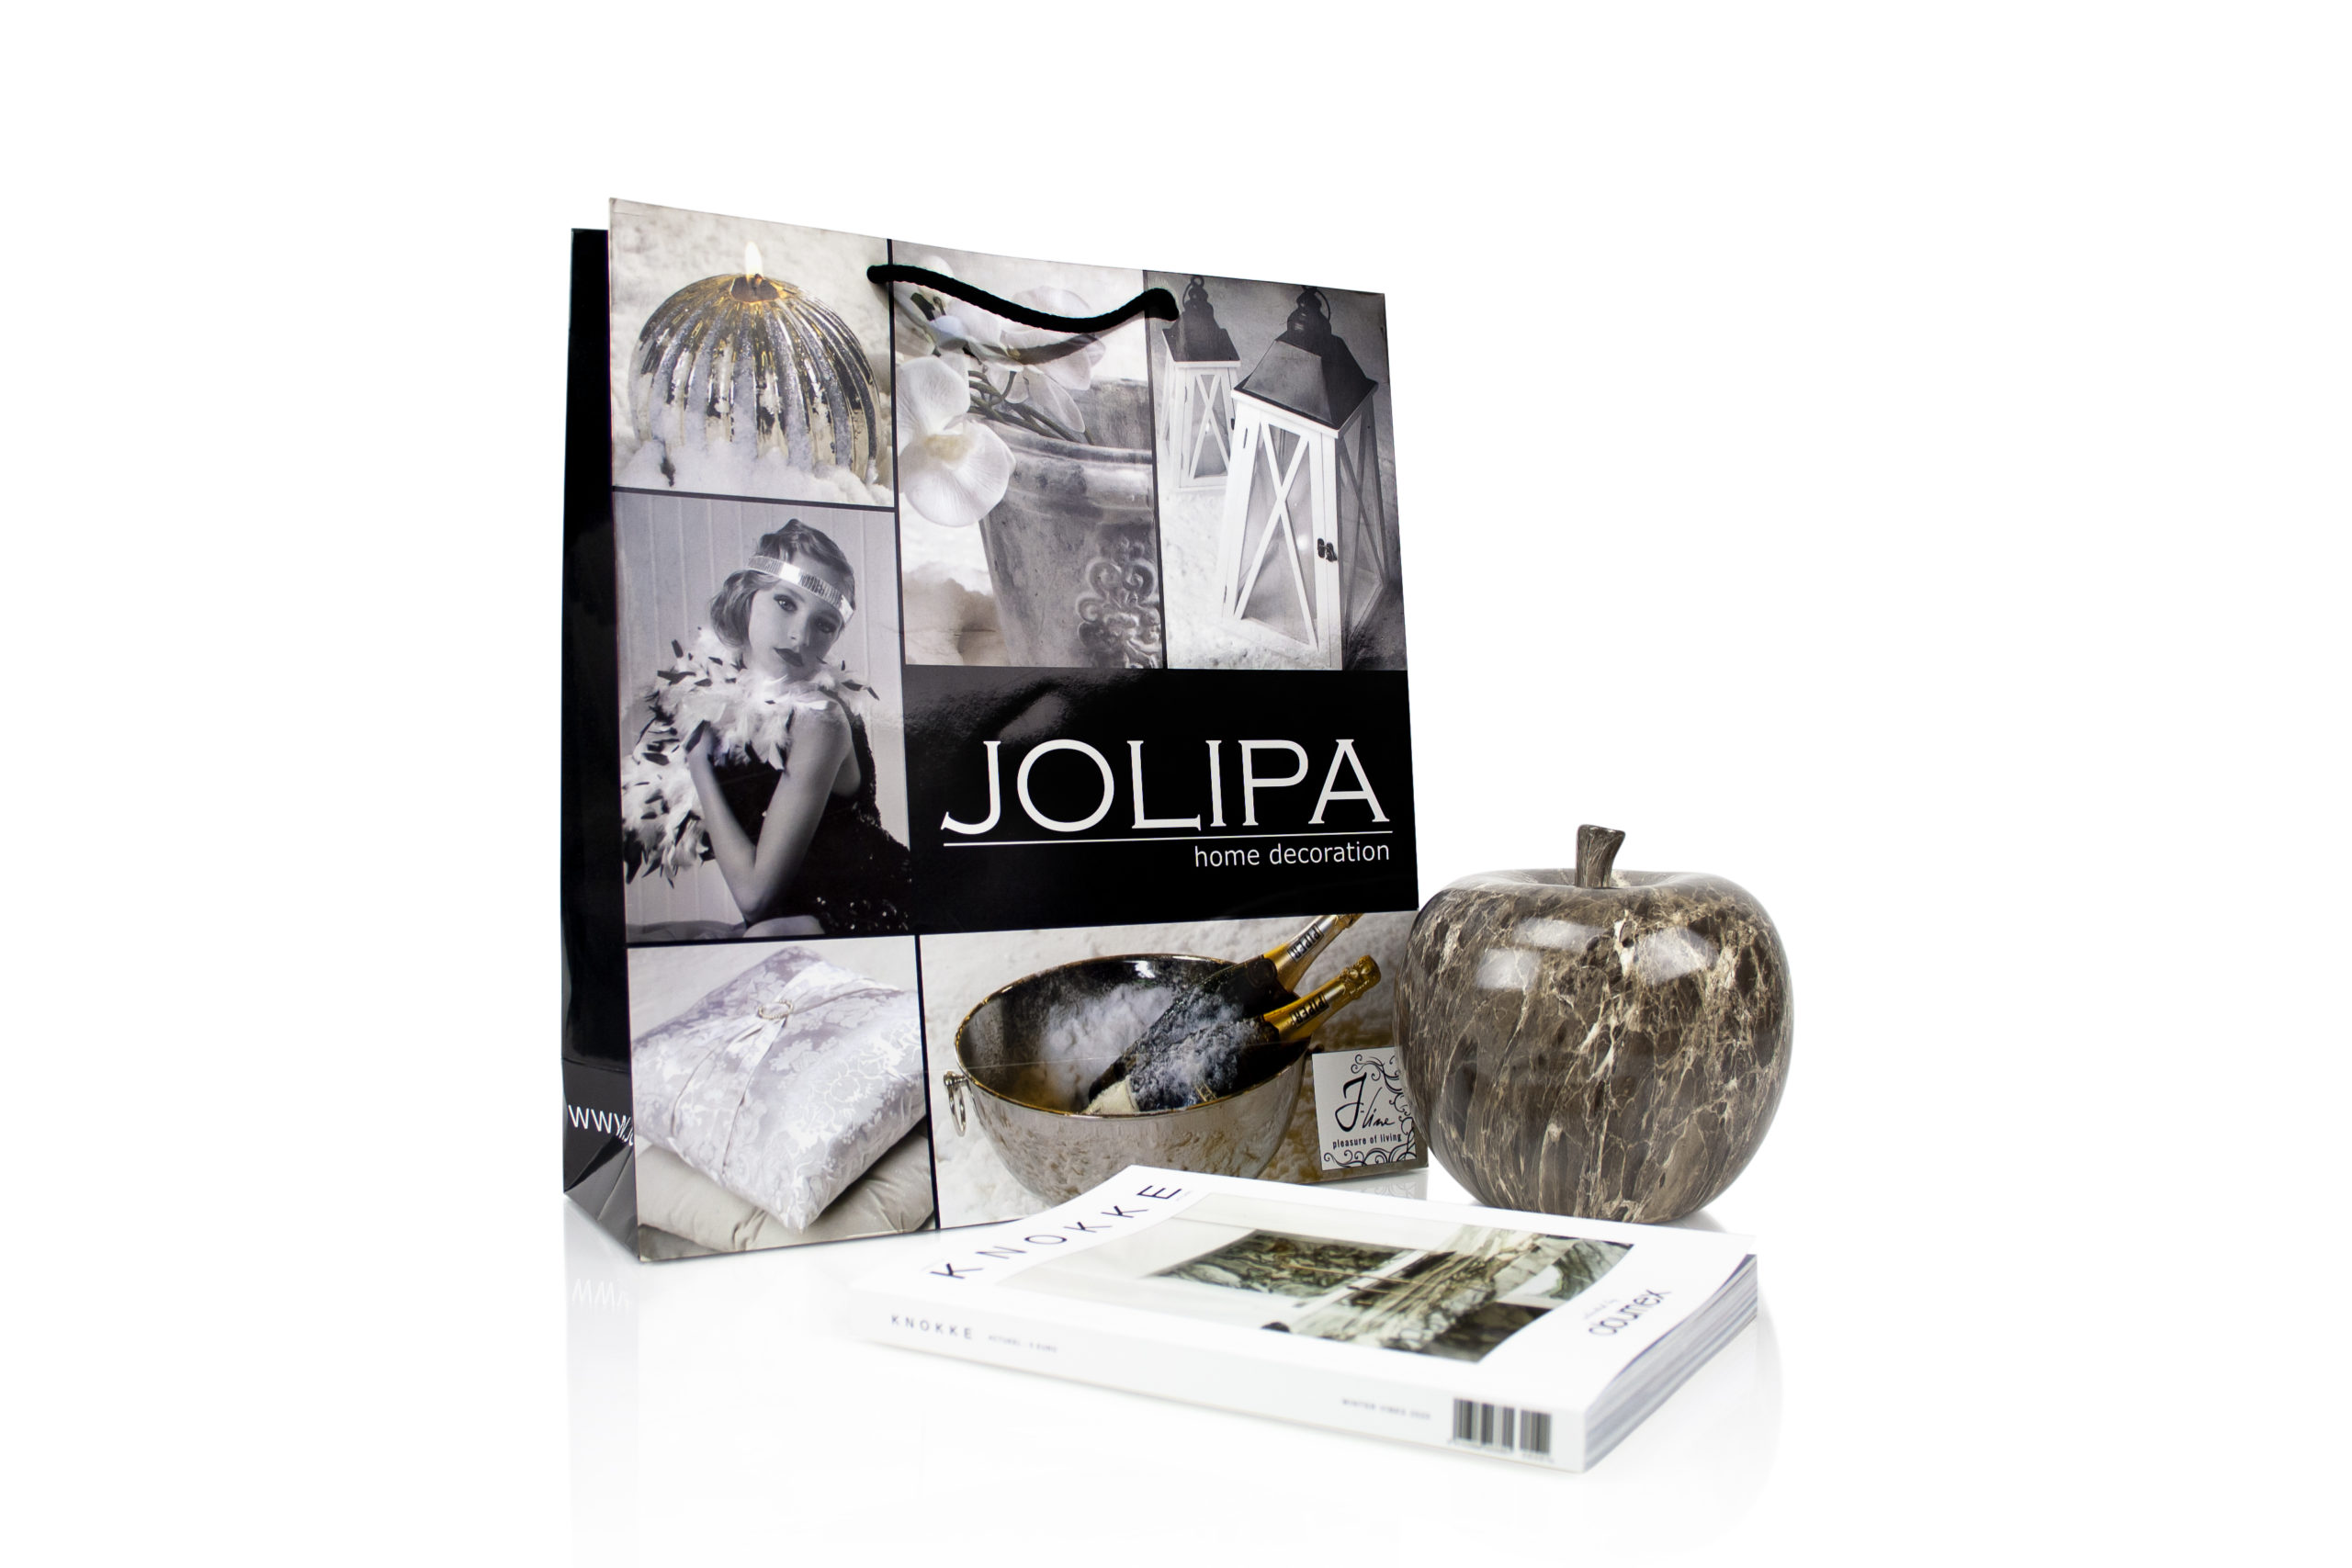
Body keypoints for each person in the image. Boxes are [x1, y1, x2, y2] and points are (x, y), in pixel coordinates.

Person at [623, 520, 912, 936]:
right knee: (637, 935)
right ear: (747, 595)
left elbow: (755, 898)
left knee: (758, 935)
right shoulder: (712, 696)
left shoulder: (821, 721)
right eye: (785, 603)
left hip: (875, 905)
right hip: (787, 916)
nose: (800, 636)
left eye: (824, 624)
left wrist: (699, 764)